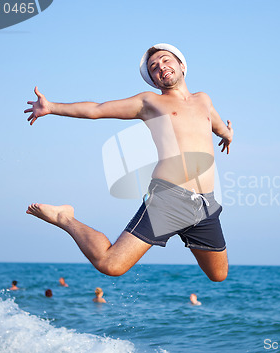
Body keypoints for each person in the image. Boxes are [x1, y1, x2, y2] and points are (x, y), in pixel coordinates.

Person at [25, 43, 232, 282]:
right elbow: (97, 109)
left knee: (218, 275)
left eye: (165, 60)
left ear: (182, 65)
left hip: (205, 204)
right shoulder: (149, 102)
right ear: (153, 81)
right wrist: (51, 107)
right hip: (170, 198)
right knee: (110, 264)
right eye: (154, 67)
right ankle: (65, 217)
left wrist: (228, 134)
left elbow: (216, 124)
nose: (161, 67)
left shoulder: (203, 99)